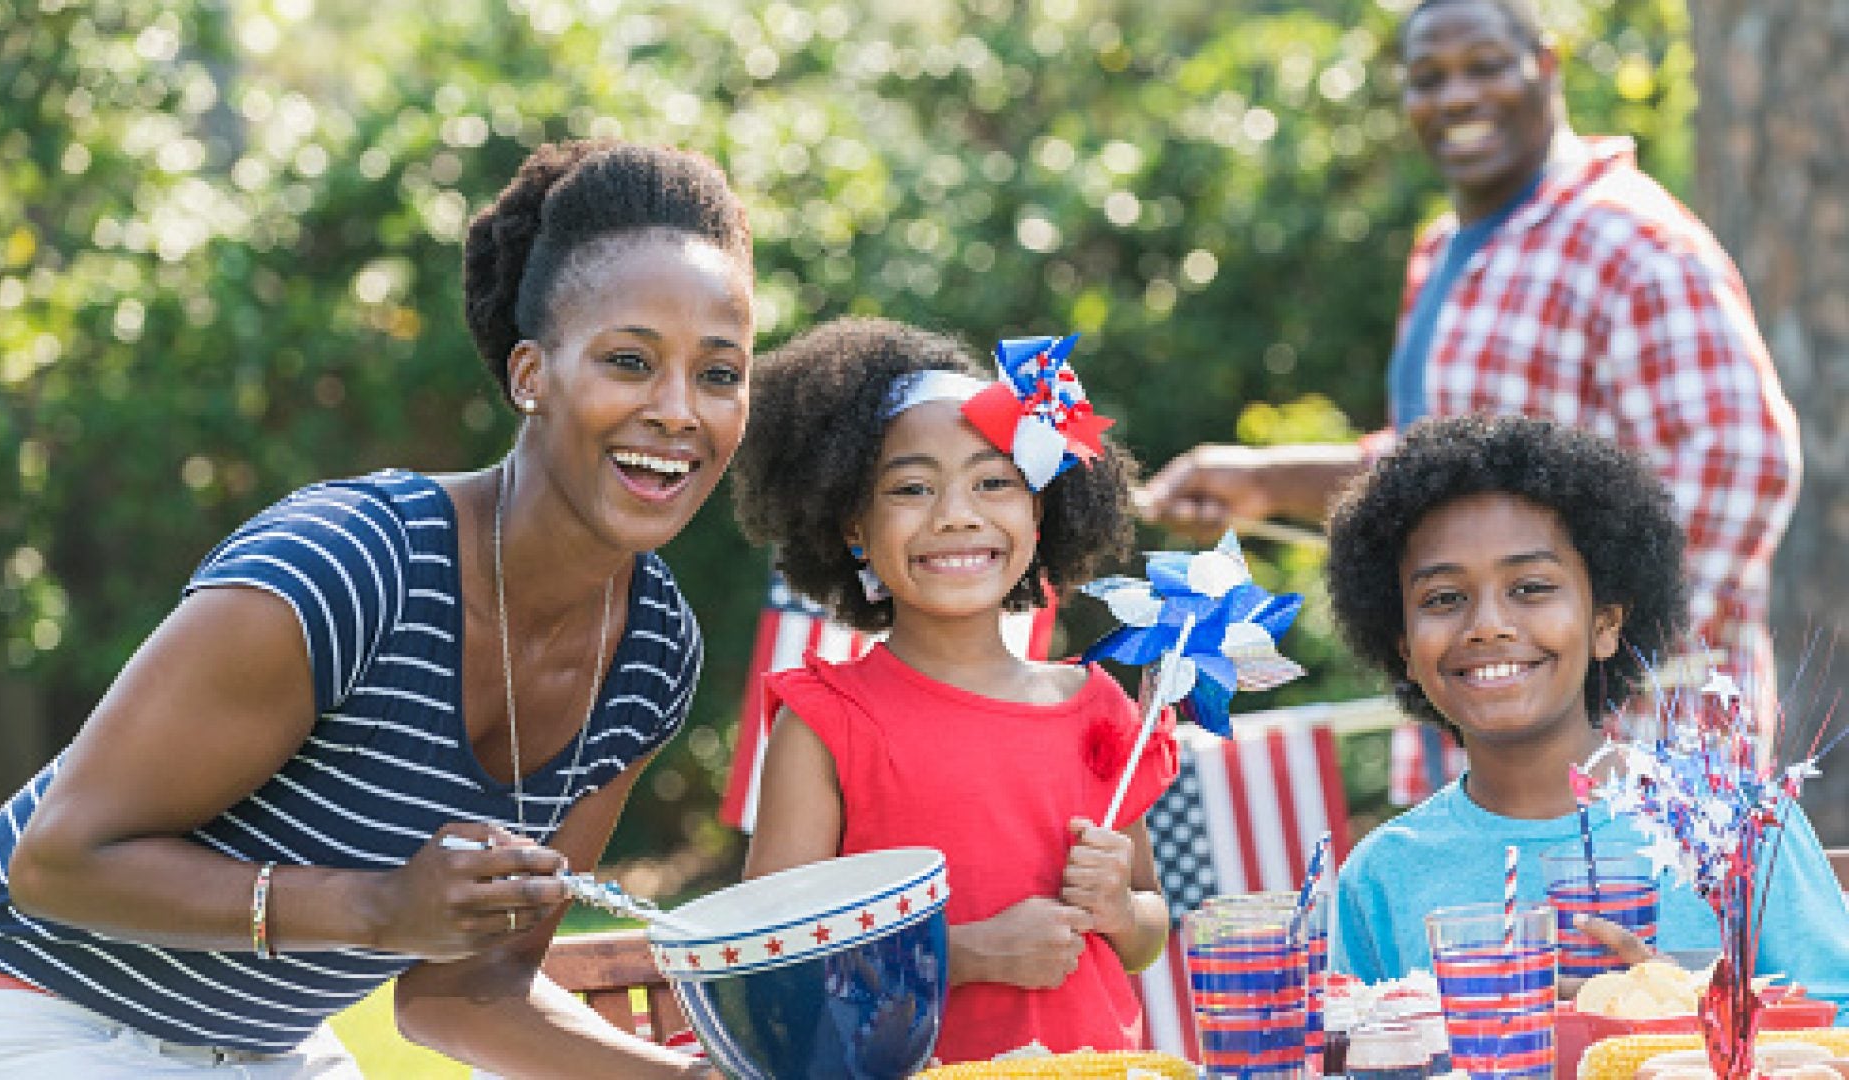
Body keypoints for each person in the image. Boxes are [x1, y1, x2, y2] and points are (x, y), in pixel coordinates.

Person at [0, 138, 753, 1077]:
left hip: (262, 1050)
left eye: (719, 374)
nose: (679, 410)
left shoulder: (651, 654)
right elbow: (60, 863)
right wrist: (381, 908)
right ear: (532, 375)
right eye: (630, 361)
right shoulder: (352, 564)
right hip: (13, 1003)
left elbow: (465, 993)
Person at [1138, 0, 1800, 691]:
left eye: (1484, 67)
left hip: (1627, 759)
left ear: (1545, 66)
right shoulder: (1444, 252)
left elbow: (1742, 464)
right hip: (1479, 748)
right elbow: (1438, 473)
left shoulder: (1632, 241)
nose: (1457, 96)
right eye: (1428, 77)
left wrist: (1581, 657)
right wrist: (1260, 484)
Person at [731, 318, 1173, 1062]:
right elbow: (772, 962)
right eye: (911, 487)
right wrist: (965, 955)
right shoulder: (827, 721)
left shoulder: (1097, 707)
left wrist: (1121, 911)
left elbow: (1149, 929)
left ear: (1038, 508)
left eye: (994, 481)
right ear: (853, 527)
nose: (957, 514)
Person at [1323, 414, 1849, 1012]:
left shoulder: (1737, 829)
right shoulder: (1384, 875)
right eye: (1444, 599)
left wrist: (1696, 1017)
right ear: (1404, 650)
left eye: (1531, 588)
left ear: (1605, 625)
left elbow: (1841, 1025)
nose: (1488, 625)